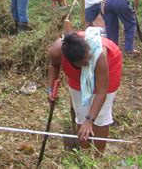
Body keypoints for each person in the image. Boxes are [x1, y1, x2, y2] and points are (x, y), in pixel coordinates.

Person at [47, 28, 122, 156]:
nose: (88, 63)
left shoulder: (99, 55)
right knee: (81, 115)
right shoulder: (58, 50)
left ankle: (98, 158)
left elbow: (101, 92)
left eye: (88, 58)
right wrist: (50, 89)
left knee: (100, 117)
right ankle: (85, 156)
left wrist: (90, 121)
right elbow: (54, 65)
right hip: (76, 79)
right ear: (70, 61)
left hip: (109, 70)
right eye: (84, 63)